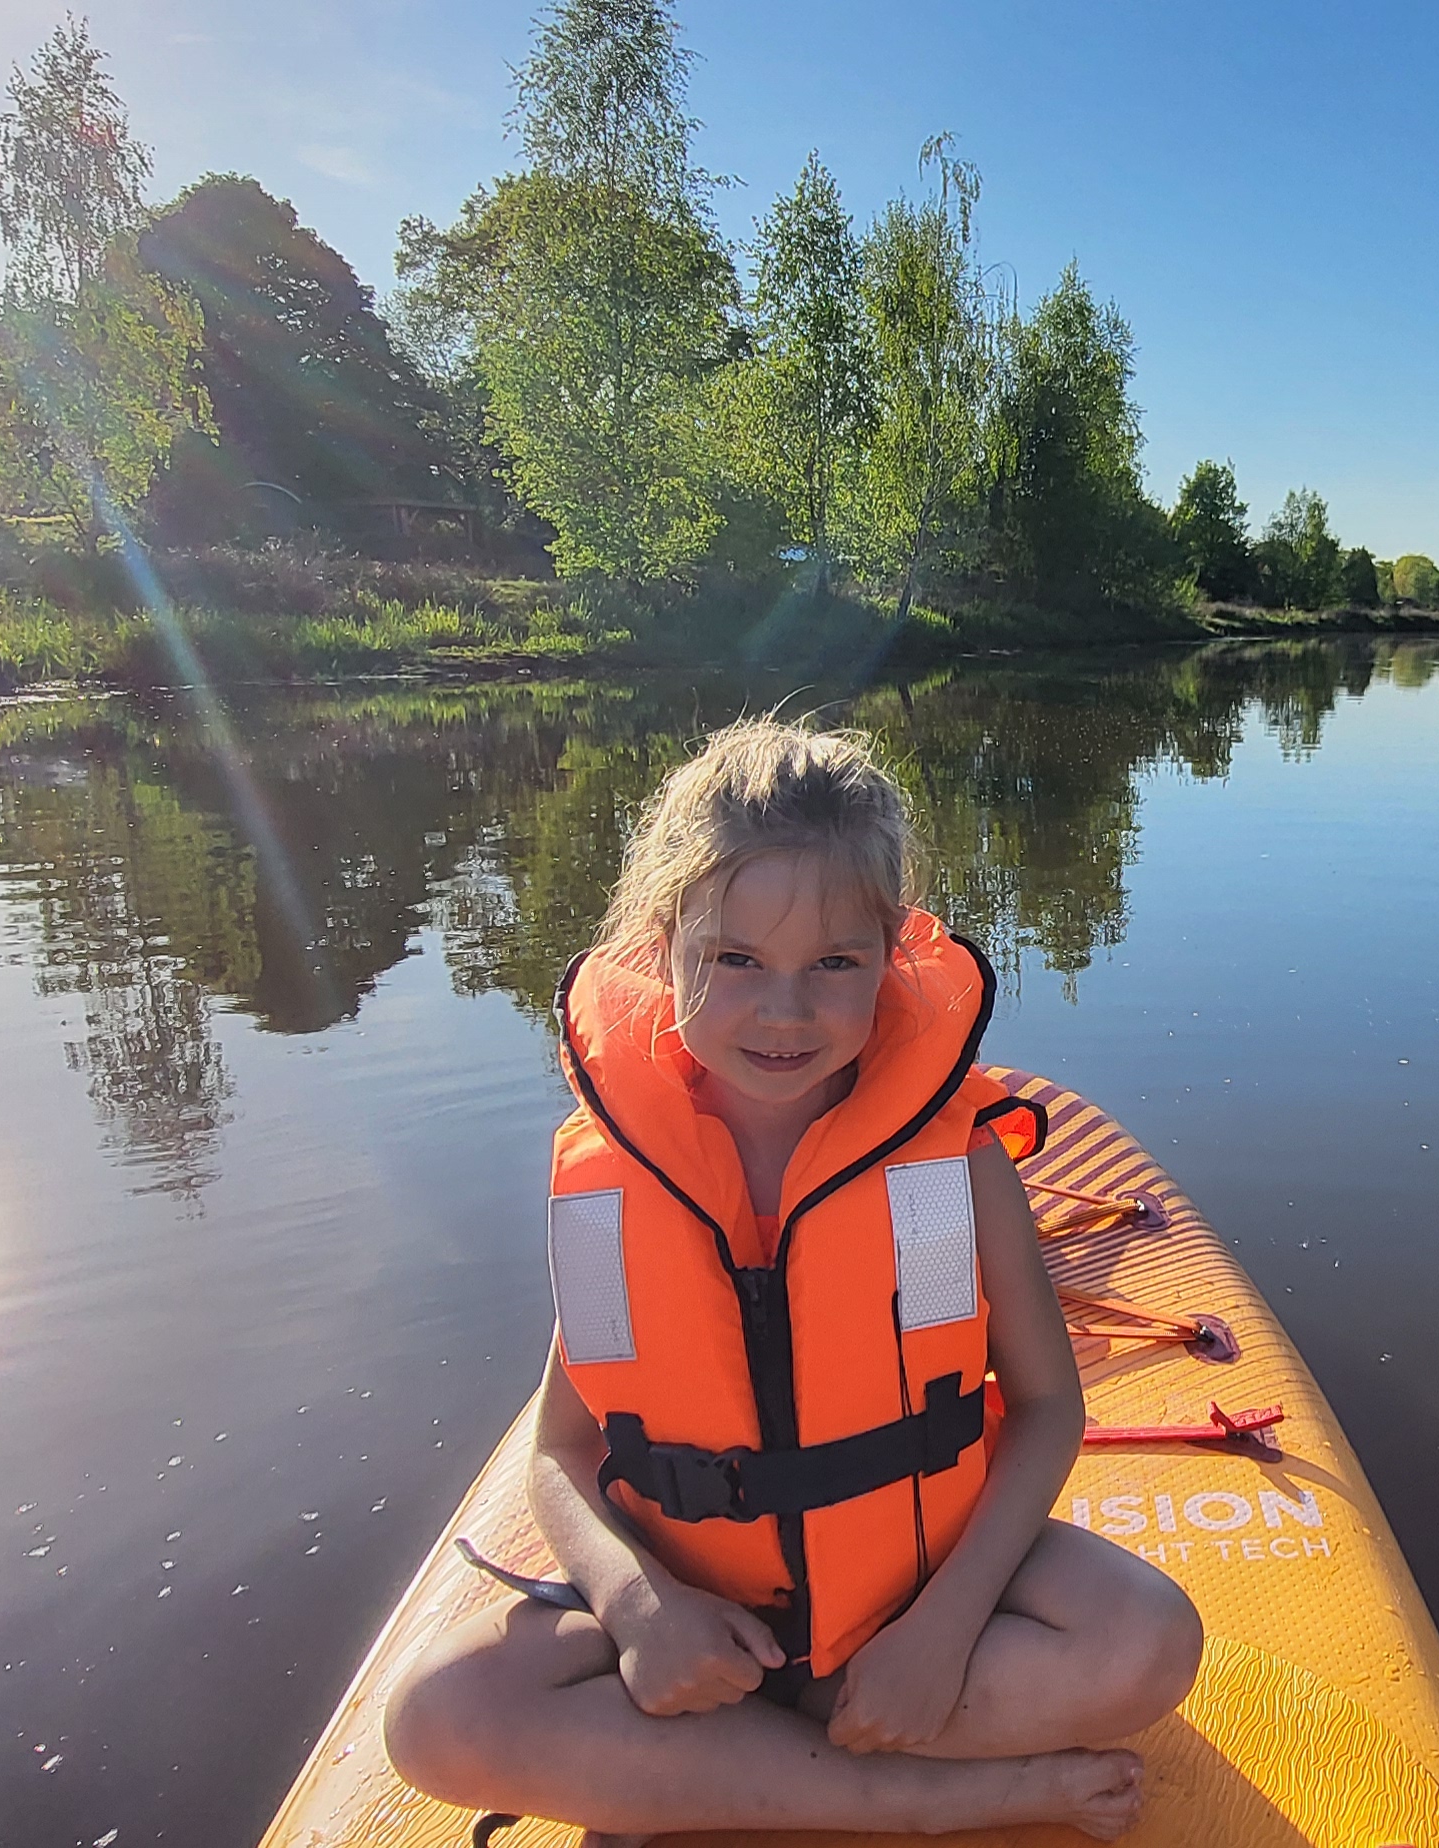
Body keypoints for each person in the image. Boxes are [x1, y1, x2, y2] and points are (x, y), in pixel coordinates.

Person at [384, 718, 1202, 1842]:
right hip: (695, 1630)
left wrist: (942, 1632)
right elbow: (562, 1449)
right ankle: (933, 1799)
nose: (785, 1010)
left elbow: (1050, 1406)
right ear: (662, 947)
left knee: (1149, 1641)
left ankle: (723, 1770)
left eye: (833, 964)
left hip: (908, 1601)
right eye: (735, 961)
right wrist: (638, 1609)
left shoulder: (952, 1163)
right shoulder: (611, 1180)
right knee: (435, 1721)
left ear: (891, 956)